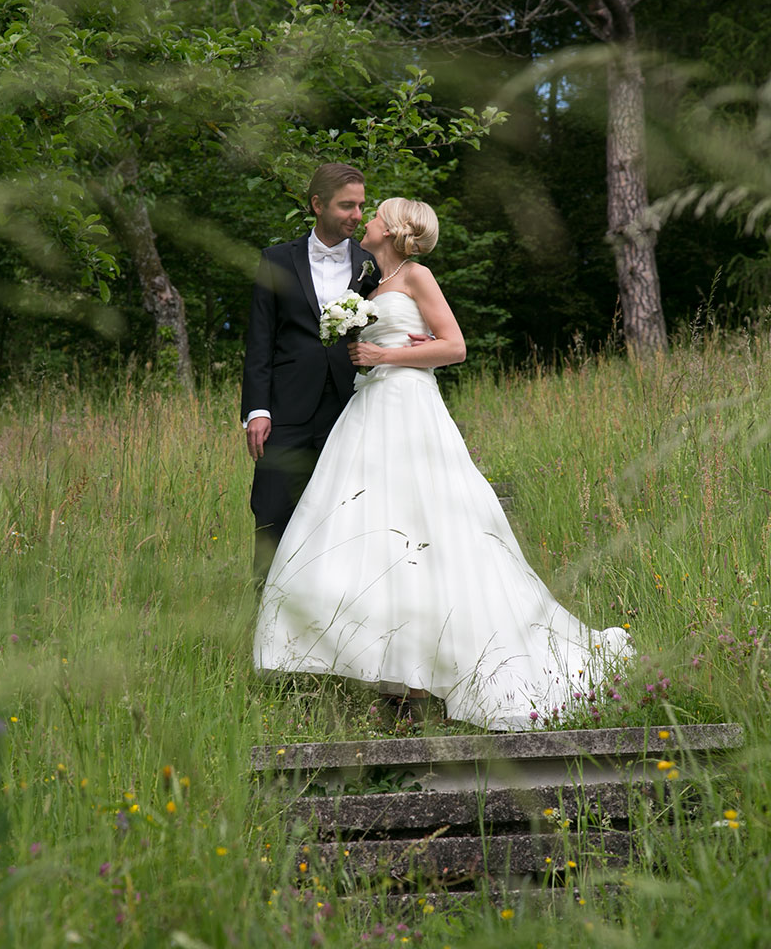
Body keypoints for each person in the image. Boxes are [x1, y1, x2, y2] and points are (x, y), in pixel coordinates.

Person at [253, 197, 632, 730]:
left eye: (376, 215)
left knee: (424, 525)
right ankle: (394, 677)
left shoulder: (417, 276)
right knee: (368, 530)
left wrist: (386, 355)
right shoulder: (368, 284)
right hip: (368, 408)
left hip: (408, 407)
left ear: (394, 230)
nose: (367, 221)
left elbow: (455, 347)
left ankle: (427, 679)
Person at [241, 163, 379, 578]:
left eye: (361, 205)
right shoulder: (276, 259)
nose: (357, 215)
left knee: (342, 511)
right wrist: (257, 410)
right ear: (318, 205)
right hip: (286, 408)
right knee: (271, 508)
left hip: (350, 406)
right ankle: (265, 604)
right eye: (347, 206)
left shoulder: (370, 265)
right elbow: (259, 340)